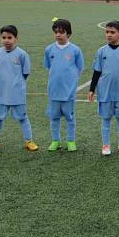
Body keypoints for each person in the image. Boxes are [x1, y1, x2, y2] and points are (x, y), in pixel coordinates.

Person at [0, 24, 38, 151]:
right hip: (1, 92)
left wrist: (16, 83)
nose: (6, 40)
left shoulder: (22, 54)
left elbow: (25, 73)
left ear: (16, 38)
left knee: (22, 117)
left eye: (9, 37)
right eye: (4, 37)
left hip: (17, 93)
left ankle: (29, 141)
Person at [87, 20, 119, 156]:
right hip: (105, 92)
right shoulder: (101, 51)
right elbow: (97, 72)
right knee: (106, 119)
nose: (109, 34)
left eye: (112, 32)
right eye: (107, 32)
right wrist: (92, 89)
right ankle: (106, 145)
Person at [43, 18, 84, 152]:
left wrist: (71, 83)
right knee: (54, 118)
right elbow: (48, 67)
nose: (58, 35)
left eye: (61, 32)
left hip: (68, 92)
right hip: (54, 91)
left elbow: (79, 68)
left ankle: (71, 141)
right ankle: (55, 141)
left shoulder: (75, 50)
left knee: (69, 117)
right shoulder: (49, 49)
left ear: (69, 33)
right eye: (56, 32)